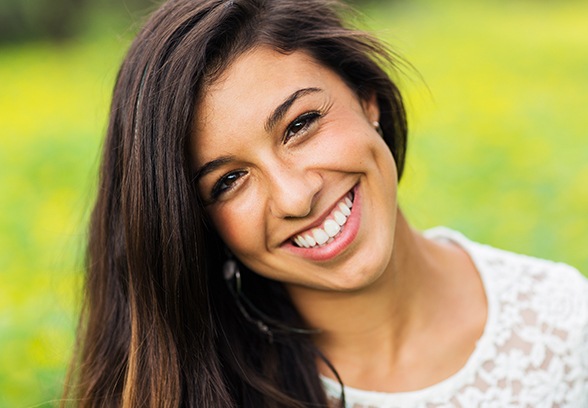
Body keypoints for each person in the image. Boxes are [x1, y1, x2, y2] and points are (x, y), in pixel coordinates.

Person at [63, 0, 588, 406]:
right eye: (228, 181)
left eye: (300, 125)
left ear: (368, 98)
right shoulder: (196, 388)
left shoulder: (564, 326)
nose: (295, 196)